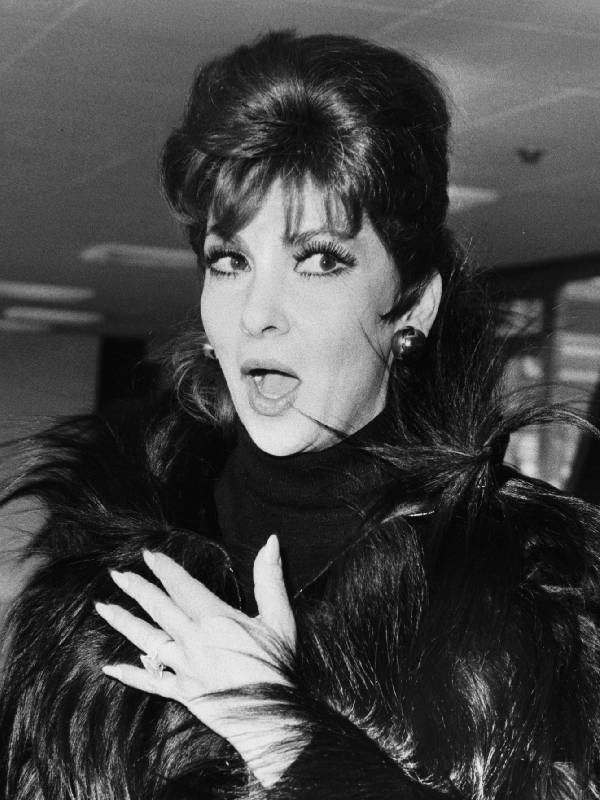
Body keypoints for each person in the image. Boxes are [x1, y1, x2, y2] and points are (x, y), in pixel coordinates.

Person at [1, 29, 600, 800]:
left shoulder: (530, 586)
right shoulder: (104, 568)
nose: (258, 313)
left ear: (412, 305)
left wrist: (286, 737)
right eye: (230, 261)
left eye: (318, 260)